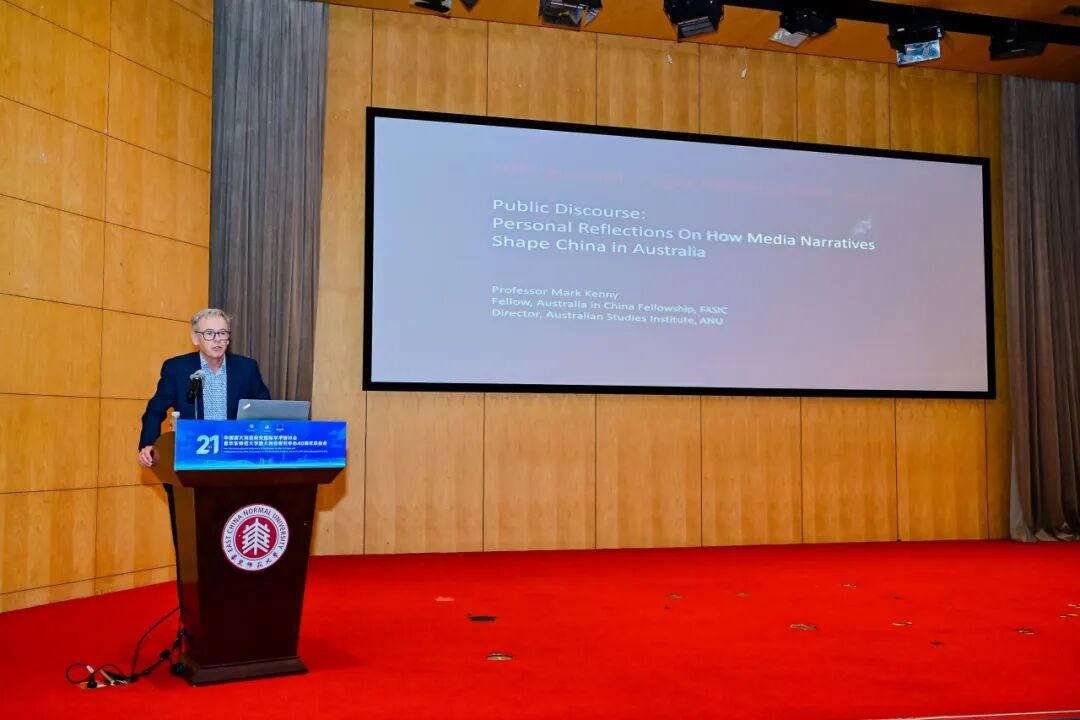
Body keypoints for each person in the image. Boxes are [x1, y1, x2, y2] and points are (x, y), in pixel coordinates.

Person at [137, 308, 272, 467]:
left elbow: (266, 410)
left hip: (236, 458)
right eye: (209, 333)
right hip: (191, 458)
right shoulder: (177, 369)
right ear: (195, 338)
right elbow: (154, 411)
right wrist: (149, 445)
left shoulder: (246, 368)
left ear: (228, 338)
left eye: (222, 333)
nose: (217, 339)